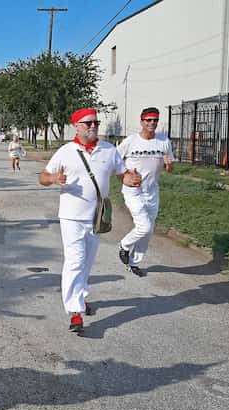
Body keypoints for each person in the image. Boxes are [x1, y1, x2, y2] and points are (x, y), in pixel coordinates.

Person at [39, 108, 142, 334]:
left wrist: (130, 179)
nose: (93, 126)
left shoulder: (108, 150)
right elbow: (43, 177)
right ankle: (75, 312)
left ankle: (81, 296)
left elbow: (121, 173)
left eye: (95, 122)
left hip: (96, 217)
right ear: (76, 126)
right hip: (71, 216)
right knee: (75, 260)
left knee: (86, 262)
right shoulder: (66, 151)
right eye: (87, 123)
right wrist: (54, 178)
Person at [116, 107, 175, 277]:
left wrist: (169, 165)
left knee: (148, 231)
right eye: (148, 120)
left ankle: (134, 263)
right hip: (133, 191)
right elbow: (114, 162)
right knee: (144, 227)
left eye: (155, 120)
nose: (152, 123)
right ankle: (124, 245)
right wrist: (124, 176)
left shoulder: (164, 141)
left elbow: (170, 168)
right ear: (141, 121)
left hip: (152, 191)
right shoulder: (130, 141)